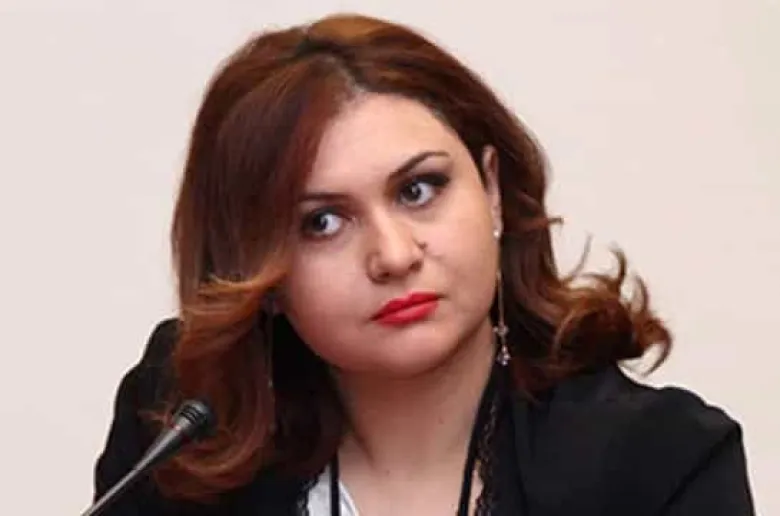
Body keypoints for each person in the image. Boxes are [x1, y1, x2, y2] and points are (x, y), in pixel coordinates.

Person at [92, 12, 755, 516]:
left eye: (418, 190)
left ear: (491, 190)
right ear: (255, 269)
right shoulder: (182, 425)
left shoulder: (659, 464)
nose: (394, 255)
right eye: (322, 222)